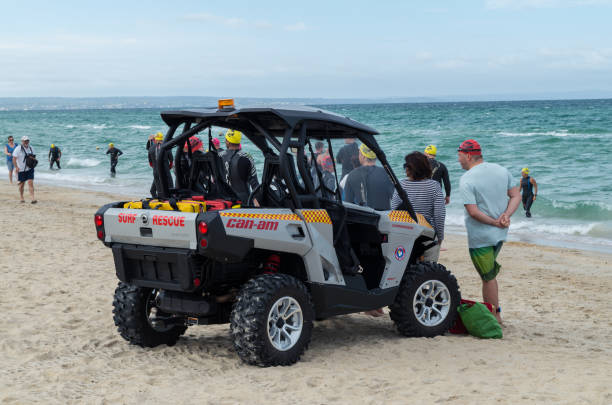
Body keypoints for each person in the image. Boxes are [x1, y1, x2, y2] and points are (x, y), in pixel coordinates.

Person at [458, 139, 520, 324]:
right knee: (489, 275)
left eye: (460, 156)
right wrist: (506, 216)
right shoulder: (502, 170)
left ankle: (495, 316)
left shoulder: (467, 179)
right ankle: (493, 313)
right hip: (500, 235)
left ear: (468, 155)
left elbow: (473, 211)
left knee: (488, 277)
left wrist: (494, 221)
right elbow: (516, 195)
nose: (459, 161)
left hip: (481, 237)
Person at [391, 151, 445, 262]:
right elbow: (439, 215)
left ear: (410, 169)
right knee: (428, 272)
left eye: (406, 165)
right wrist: (440, 237)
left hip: (404, 234)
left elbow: (394, 210)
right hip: (427, 236)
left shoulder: (401, 185)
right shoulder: (434, 186)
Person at [343, 144, 394, 210]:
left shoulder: (352, 175)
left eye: (359, 154)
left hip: (364, 217)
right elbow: (395, 198)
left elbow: (348, 203)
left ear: (363, 156)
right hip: (384, 217)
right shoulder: (387, 173)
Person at [219, 129, 259, 202]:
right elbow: (255, 183)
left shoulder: (219, 156)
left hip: (224, 200)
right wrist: (256, 200)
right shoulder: (247, 157)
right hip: (244, 200)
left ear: (228, 142)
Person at [147, 132, 174, 198]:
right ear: (162, 139)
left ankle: (156, 195)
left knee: (158, 185)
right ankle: (169, 198)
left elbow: (150, 162)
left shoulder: (151, 148)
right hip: (165, 170)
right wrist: (169, 167)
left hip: (156, 170)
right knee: (170, 185)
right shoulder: (166, 147)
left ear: (155, 139)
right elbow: (171, 160)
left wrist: (155, 167)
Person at [12, 136, 37, 203]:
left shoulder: (31, 148)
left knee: (30, 183)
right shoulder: (18, 148)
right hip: (21, 169)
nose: (26, 142)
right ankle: (21, 197)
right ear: (22, 141)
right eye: (25, 141)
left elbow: (34, 157)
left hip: (30, 168)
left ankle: (33, 198)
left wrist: (33, 161)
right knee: (22, 185)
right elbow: (14, 158)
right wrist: (16, 167)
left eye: (27, 141)